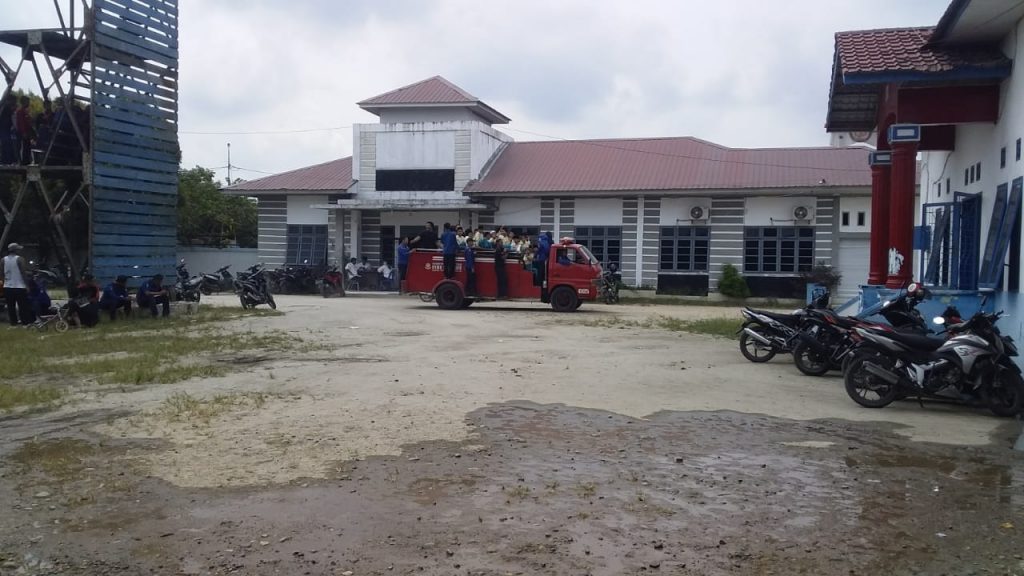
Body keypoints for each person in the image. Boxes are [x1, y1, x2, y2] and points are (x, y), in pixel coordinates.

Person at [3, 242, 33, 326]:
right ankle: (25, 322)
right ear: (15, 250)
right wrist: (27, 285)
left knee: (10, 307)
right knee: (22, 306)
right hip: (20, 286)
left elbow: (1, 273)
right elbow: (23, 273)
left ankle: (13, 323)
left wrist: (4, 281)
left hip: (8, 286)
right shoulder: (20, 259)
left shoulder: (3, 260)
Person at [14, 95, 34, 164]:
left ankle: (27, 161)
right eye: (27, 101)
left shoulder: (25, 111)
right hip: (22, 134)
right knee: (24, 148)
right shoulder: (20, 111)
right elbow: (21, 123)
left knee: (27, 148)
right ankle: (23, 162)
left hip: (27, 133)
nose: (28, 103)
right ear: (23, 102)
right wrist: (24, 132)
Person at [0, 94, 15, 165]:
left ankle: (4, 160)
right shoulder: (7, 107)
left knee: (4, 145)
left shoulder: (3, 107)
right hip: (5, 129)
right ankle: (8, 161)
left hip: (3, 129)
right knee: (7, 145)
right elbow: (9, 119)